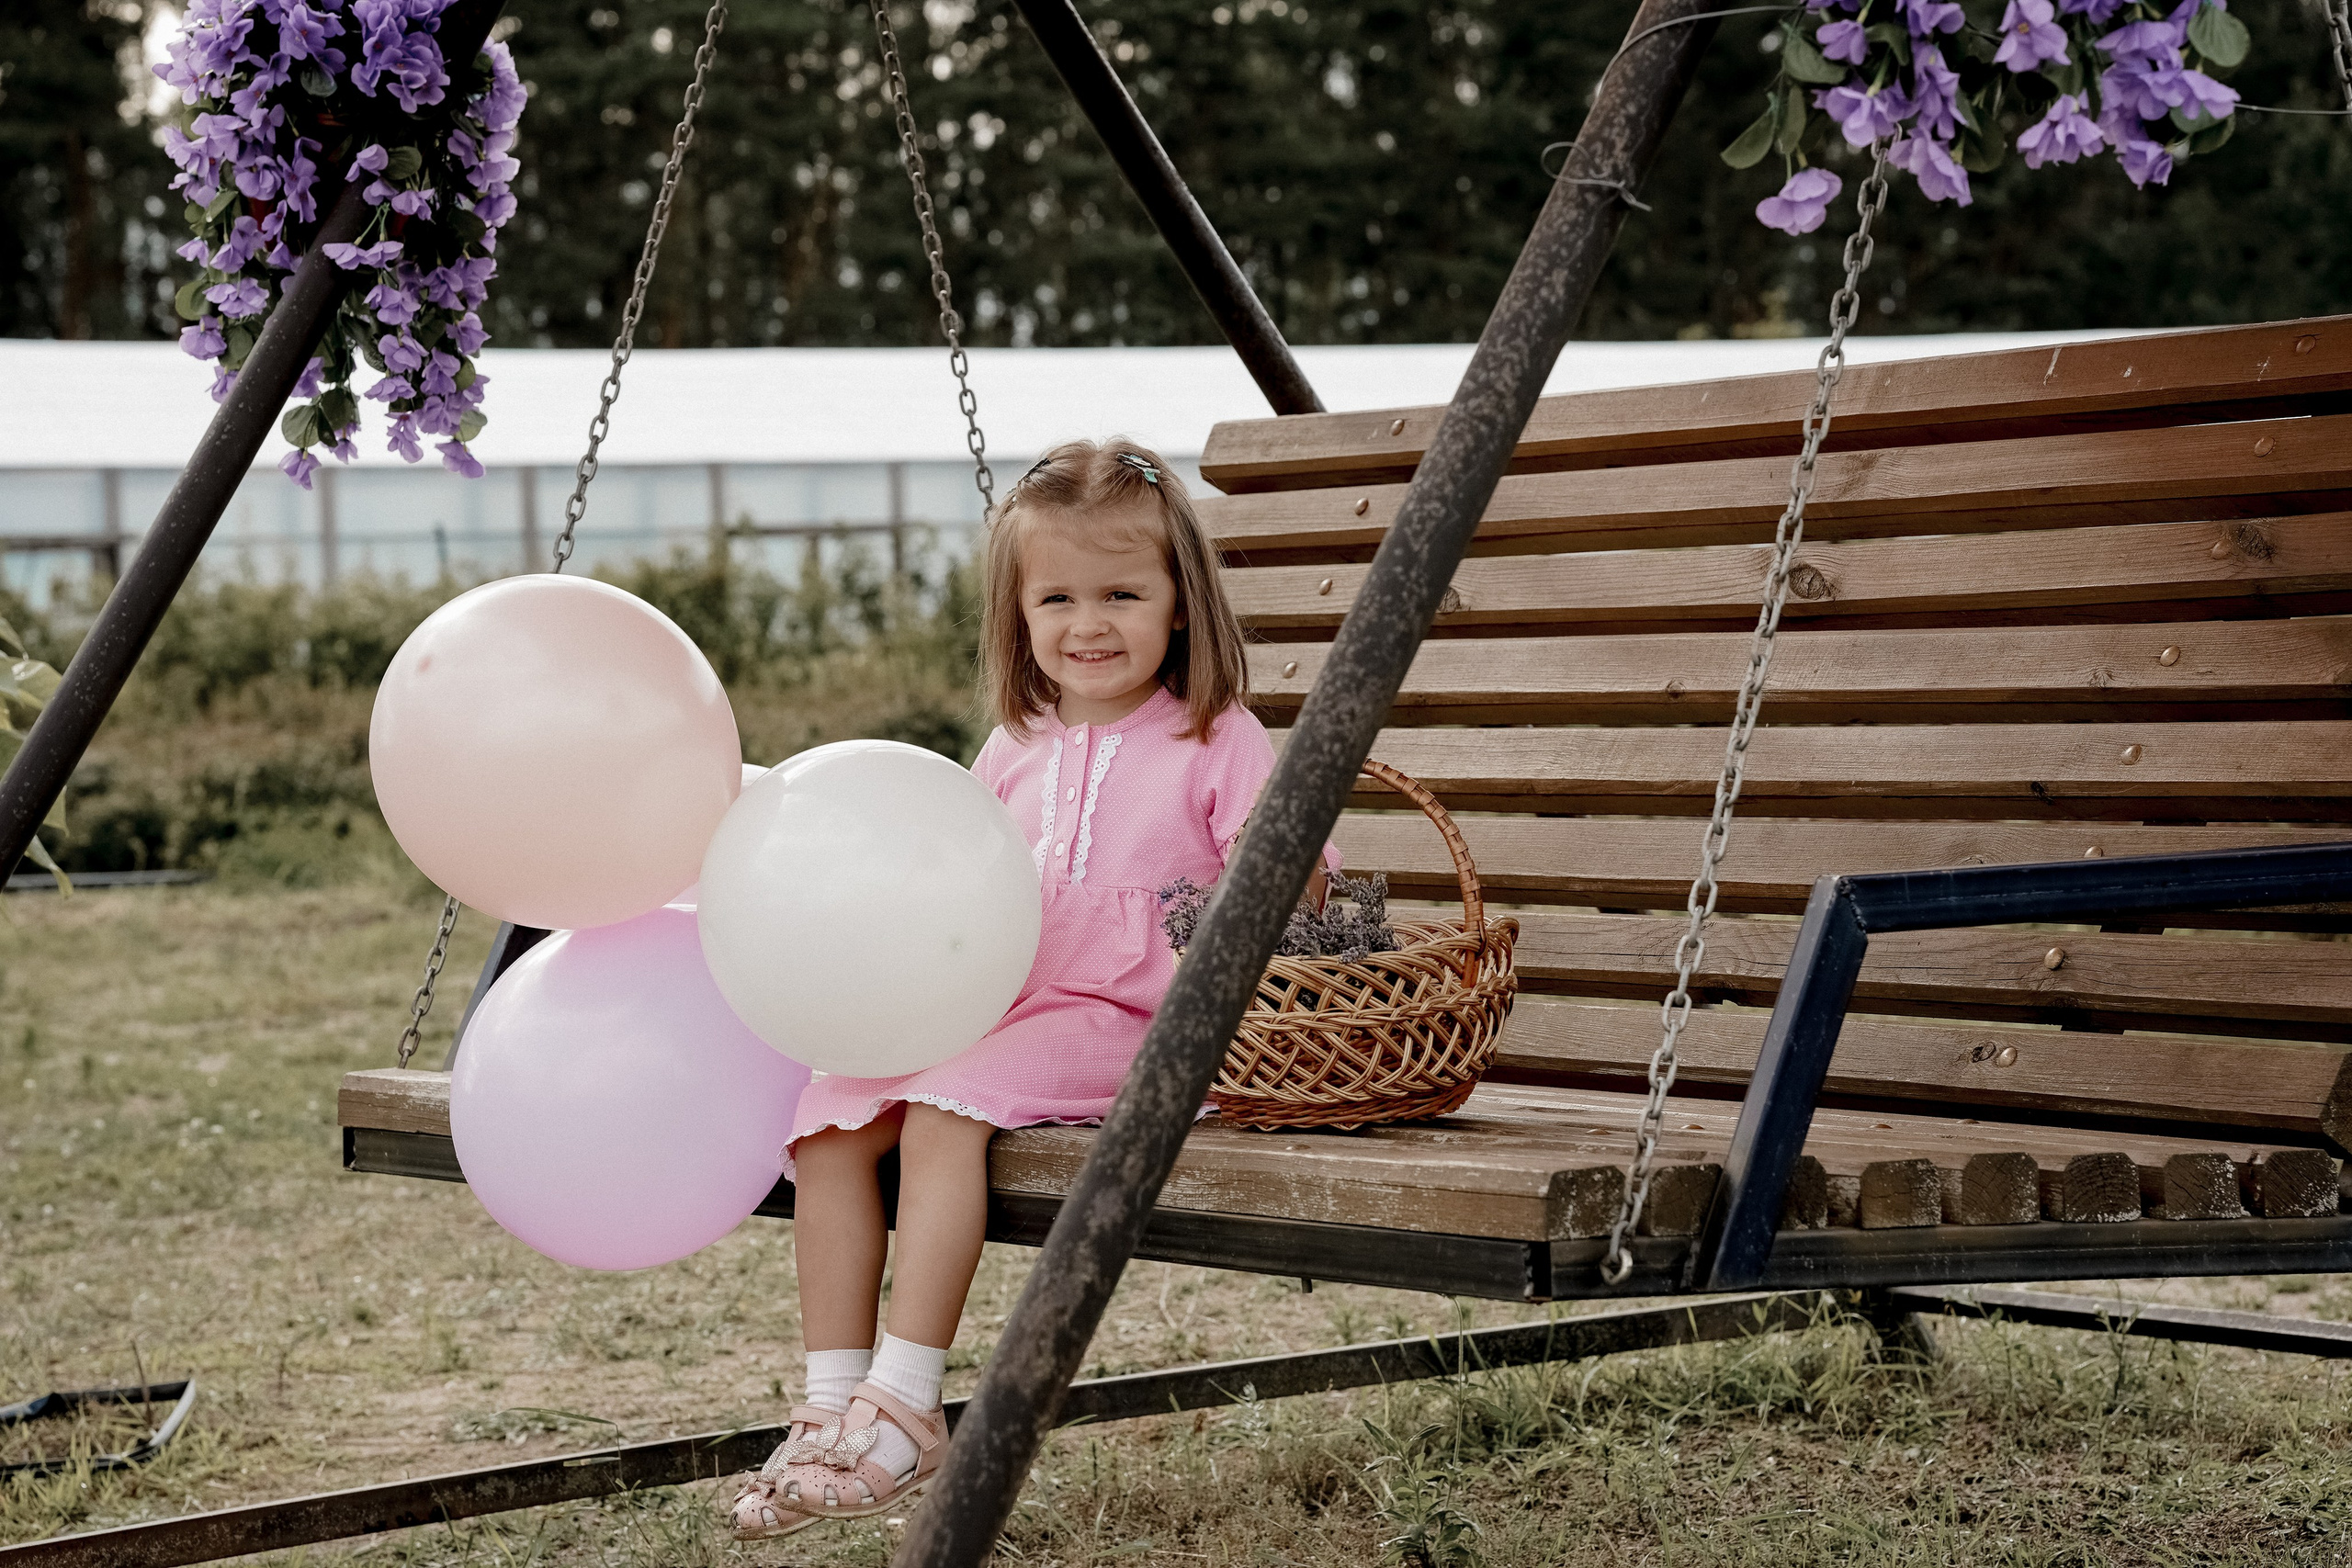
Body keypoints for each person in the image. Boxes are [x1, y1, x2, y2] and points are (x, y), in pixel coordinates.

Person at [729, 437, 1335, 1538]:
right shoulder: (1012, 745)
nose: (1087, 623)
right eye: (1055, 597)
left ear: (1181, 604)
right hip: (1001, 1001)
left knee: (944, 1113)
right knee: (827, 1113)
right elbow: (946, 882)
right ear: (1019, 617)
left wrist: (1282, 864)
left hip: (1137, 1020)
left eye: (1120, 592)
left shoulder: (1216, 736)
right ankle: (827, 1404)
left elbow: (1291, 892)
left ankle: (906, 1405)